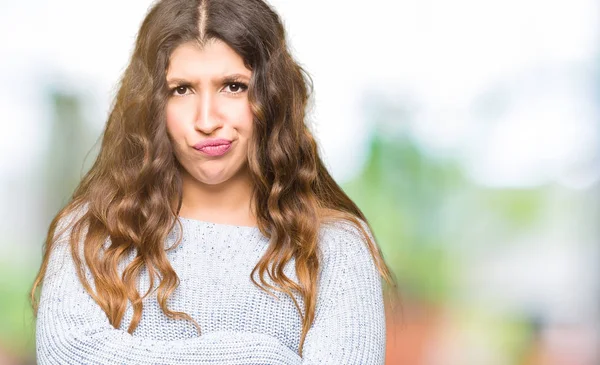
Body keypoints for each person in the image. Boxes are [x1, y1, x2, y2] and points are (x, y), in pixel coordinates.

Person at [30, 0, 398, 363]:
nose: (207, 120)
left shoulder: (335, 248)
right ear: (151, 105)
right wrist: (260, 357)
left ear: (273, 97)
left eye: (234, 86)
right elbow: (67, 355)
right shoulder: (91, 232)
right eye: (181, 89)